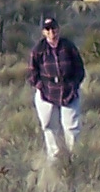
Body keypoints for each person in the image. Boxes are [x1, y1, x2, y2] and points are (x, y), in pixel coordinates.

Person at [27, 13, 84, 161]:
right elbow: (32, 72)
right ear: (43, 32)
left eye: (54, 29)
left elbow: (79, 68)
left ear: (58, 29)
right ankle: (54, 159)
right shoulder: (38, 49)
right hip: (46, 91)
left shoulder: (68, 47)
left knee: (71, 127)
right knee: (49, 127)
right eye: (48, 30)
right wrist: (41, 86)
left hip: (68, 90)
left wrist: (74, 85)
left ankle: (74, 158)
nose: (52, 32)